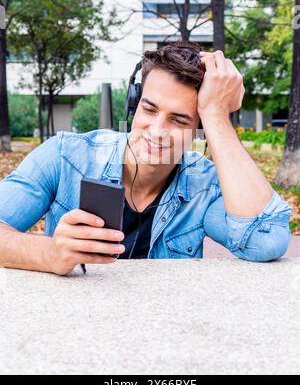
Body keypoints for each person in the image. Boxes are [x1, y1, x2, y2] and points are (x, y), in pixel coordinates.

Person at [0, 42, 292, 275]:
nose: (157, 131)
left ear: (199, 130)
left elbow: (266, 240)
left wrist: (216, 114)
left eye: (179, 120)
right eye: (149, 110)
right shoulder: (65, 156)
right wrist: (50, 254)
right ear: (133, 104)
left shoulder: (205, 186)